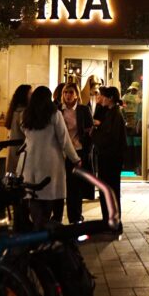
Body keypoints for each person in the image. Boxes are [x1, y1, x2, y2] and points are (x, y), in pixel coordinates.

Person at [19, 86, 81, 229]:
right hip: (50, 161)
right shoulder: (54, 114)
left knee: (33, 195)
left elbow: (25, 134)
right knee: (49, 195)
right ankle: (46, 230)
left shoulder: (26, 115)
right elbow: (64, 140)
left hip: (29, 160)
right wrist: (75, 158)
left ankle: (37, 227)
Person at [59, 82, 94, 223]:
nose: (68, 95)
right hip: (62, 154)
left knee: (76, 186)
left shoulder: (83, 110)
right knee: (63, 185)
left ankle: (76, 216)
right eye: (65, 92)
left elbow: (91, 130)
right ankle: (59, 216)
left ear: (76, 94)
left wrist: (87, 150)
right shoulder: (58, 110)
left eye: (71, 92)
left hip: (78, 152)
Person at [94, 86, 127, 227]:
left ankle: (112, 221)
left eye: (104, 96)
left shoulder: (115, 114)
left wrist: (94, 132)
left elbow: (109, 138)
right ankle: (110, 220)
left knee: (110, 190)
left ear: (111, 98)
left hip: (110, 159)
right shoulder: (111, 113)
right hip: (110, 159)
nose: (101, 98)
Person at [4, 84, 32, 173]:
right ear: (24, 96)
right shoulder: (23, 113)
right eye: (30, 94)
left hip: (13, 150)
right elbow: (28, 133)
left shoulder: (14, 111)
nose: (32, 97)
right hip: (21, 153)